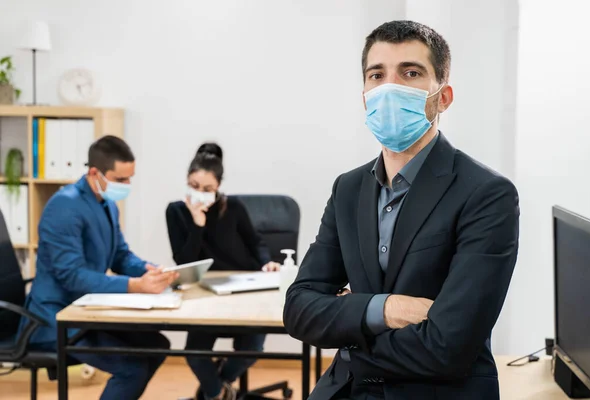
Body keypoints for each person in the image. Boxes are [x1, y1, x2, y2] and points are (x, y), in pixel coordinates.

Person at [283, 20, 520, 400]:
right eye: (377, 75)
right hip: (346, 391)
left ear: (443, 97)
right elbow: (299, 309)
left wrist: (349, 333)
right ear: (364, 96)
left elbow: (449, 347)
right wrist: (386, 308)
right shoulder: (348, 188)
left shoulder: (486, 194)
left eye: (410, 73)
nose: (390, 87)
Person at [19, 135, 179, 400]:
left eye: (130, 179)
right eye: (121, 179)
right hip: (54, 319)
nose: (127, 186)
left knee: (156, 345)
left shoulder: (107, 203)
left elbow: (120, 256)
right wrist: (134, 286)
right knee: (131, 368)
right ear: (95, 172)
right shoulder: (64, 207)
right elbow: (72, 276)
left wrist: (147, 270)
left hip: (85, 312)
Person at [166, 143, 280, 400]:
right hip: (205, 292)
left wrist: (267, 262)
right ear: (186, 180)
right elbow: (183, 260)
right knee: (194, 354)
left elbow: (256, 243)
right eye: (194, 186)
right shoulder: (175, 212)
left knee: (251, 349)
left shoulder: (234, 207)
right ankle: (221, 393)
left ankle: (215, 389)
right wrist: (197, 225)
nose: (199, 193)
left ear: (218, 187)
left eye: (207, 189)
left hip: (244, 287)